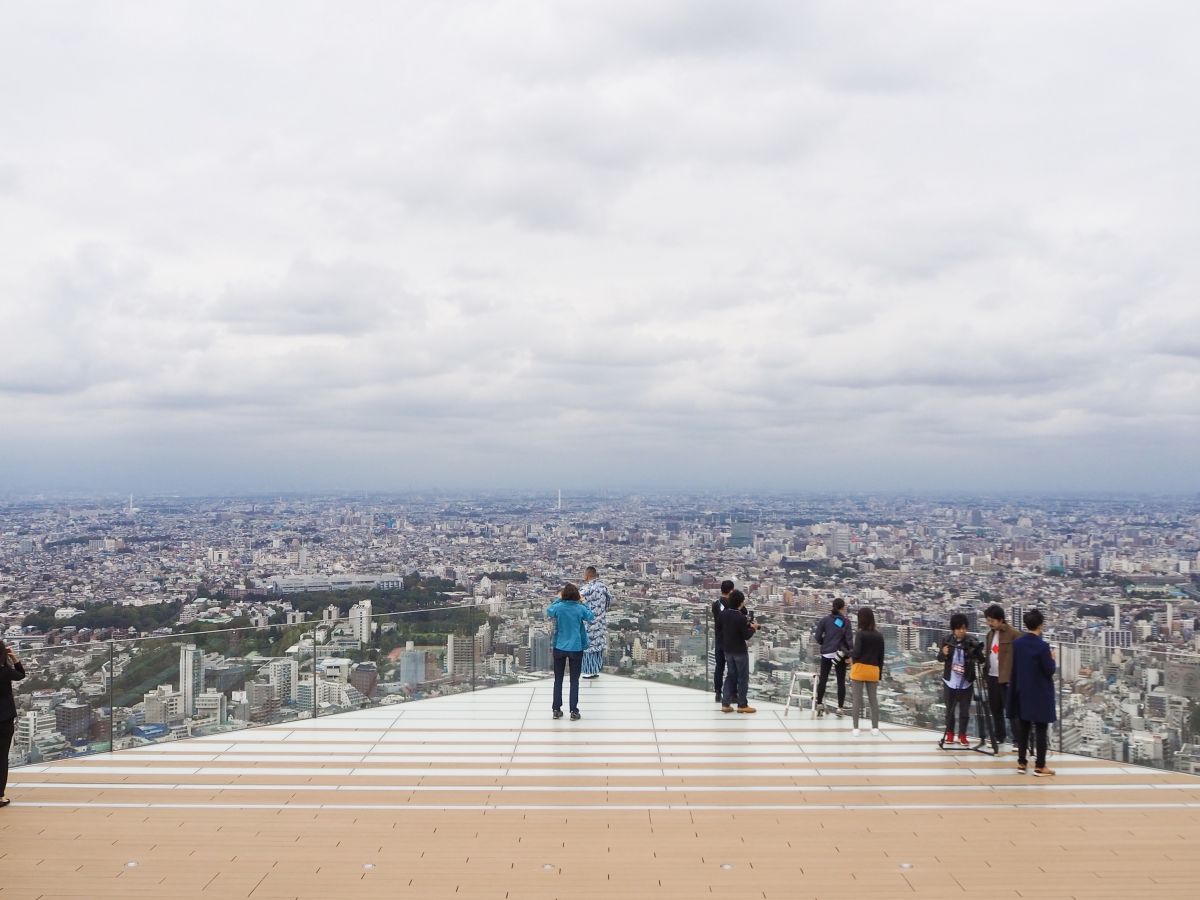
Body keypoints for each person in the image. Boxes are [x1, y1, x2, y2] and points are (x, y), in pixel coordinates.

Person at [1007, 609, 1057, 776]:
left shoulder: (1017, 644)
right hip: (1040, 693)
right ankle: (1040, 765)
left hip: (1022, 690)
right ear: (1040, 625)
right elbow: (1049, 670)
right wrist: (1052, 659)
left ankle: (1022, 763)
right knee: (1041, 728)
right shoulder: (1043, 647)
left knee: (1024, 728)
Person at [545, 583, 595, 720]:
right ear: (576, 596)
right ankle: (574, 711)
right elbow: (591, 617)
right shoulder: (579, 608)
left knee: (558, 680)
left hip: (559, 647)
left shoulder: (559, 607)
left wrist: (559, 599)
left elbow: (549, 611)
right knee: (574, 681)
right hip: (576, 647)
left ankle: (556, 709)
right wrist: (582, 603)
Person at [938, 613, 984, 746]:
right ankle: (950, 733)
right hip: (950, 680)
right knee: (949, 710)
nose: (962, 631)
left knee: (964, 710)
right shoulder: (947, 640)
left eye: (964, 628)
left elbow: (981, 659)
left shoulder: (971, 640)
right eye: (959, 629)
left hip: (966, 680)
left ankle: (962, 735)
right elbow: (940, 658)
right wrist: (943, 653)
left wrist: (976, 652)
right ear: (953, 629)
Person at [983, 603, 1021, 752]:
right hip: (992, 676)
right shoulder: (989, 634)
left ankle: (1018, 740)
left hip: (1006, 677)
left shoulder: (1013, 634)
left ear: (1000, 620)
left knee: (1011, 710)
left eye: (992, 621)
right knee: (995, 709)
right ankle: (999, 737)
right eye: (988, 621)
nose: (989, 624)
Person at [718, 589, 759, 713]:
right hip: (740, 651)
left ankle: (725, 703)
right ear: (741, 603)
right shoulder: (741, 617)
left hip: (728, 649)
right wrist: (754, 628)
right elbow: (746, 635)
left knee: (730, 676)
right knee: (742, 678)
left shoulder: (723, 614)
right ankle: (742, 705)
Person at [849, 607, 884, 736]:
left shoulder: (860, 633)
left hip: (859, 669)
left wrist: (847, 652)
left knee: (857, 700)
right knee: (873, 700)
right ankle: (875, 728)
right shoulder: (879, 635)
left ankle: (856, 728)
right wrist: (879, 674)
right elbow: (881, 656)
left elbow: (856, 653)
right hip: (873, 670)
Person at [813, 599, 852, 715]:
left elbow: (817, 636)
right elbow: (849, 639)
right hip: (840, 654)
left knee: (823, 679)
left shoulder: (825, 620)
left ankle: (819, 704)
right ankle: (840, 708)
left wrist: (824, 643)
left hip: (827, 653)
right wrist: (849, 654)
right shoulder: (845, 621)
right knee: (841, 681)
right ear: (842, 608)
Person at [1, 640, 27, 808]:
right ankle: (0, 796)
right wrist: (14, 658)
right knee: (2, 757)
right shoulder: (5, 672)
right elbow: (21, 675)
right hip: (4, 719)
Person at [580, 566, 613, 679]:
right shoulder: (604, 587)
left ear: (588, 574)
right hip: (600, 622)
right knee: (598, 645)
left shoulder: (586, 589)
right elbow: (610, 601)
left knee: (588, 646)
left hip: (588, 623)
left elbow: (577, 602)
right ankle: (595, 669)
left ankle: (588, 670)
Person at [711, 580, 735, 702]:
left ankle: (717, 692)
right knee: (732, 668)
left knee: (719, 667)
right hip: (730, 640)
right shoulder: (732, 604)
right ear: (731, 590)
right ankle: (731, 694)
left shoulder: (715, 604)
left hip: (719, 639)